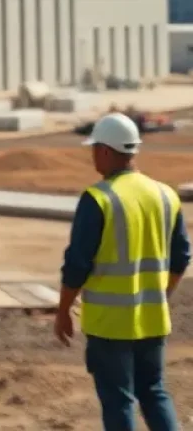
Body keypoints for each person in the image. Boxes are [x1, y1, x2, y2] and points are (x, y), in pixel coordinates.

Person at [55, 111, 191, 431]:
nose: (92, 157)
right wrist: (161, 295)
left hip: (110, 325)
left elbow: (77, 264)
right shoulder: (165, 195)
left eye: (93, 149)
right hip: (153, 318)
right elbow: (181, 258)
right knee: (155, 392)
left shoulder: (99, 198)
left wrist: (63, 310)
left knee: (119, 401)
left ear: (105, 150)